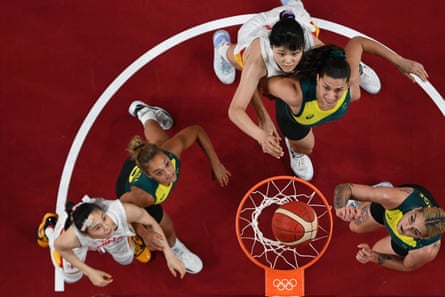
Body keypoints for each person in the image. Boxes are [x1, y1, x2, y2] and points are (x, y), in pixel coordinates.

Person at [212, 0, 380, 160]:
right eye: (282, 54)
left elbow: (336, 58)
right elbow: (235, 110)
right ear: (271, 48)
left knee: (331, 59)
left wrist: (351, 68)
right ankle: (221, 46)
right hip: (254, 29)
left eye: (294, 54)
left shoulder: (308, 42)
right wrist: (261, 133)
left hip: (294, 17)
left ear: (302, 46)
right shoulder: (258, 61)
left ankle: (358, 67)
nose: (288, 61)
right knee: (238, 60)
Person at [262, 36, 429, 180]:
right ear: (318, 78)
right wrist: (264, 119)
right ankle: (296, 150)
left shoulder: (350, 82)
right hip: (295, 117)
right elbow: (260, 83)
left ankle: (359, 66)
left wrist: (400, 62)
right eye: (326, 87)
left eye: (338, 90)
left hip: (343, 74)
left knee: (355, 93)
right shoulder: (294, 93)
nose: (330, 97)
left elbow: (358, 43)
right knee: (306, 147)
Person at [115, 100, 231, 274]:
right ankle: (174, 247)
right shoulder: (145, 196)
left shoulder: (170, 152)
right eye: (159, 172)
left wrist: (215, 162)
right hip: (127, 193)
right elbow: (121, 211)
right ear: (149, 175)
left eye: (167, 164)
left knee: (160, 140)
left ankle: (145, 113)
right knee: (166, 229)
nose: (169, 173)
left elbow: (197, 131)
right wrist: (143, 232)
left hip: (146, 159)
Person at [36, 196, 186, 287]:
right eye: (98, 227)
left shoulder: (120, 212)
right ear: (88, 235)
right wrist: (90, 272)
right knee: (71, 277)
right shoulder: (76, 237)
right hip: (77, 241)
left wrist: (169, 254)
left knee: (126, 258)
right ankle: (50, 226)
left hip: (112, 237)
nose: (107, 227)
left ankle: (130, 234)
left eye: (104, 218)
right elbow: (60, 246)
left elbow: (150, 221)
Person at [333, 181, 445, 271]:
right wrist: (340, 207)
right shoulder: (394, 198)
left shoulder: (424, 251)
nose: (404, 227)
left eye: (414, 231)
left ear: (423, 238)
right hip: (392, 208)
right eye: (411, 219)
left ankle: (376, 197)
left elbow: (405, 266)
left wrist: (375, 257)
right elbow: (347, 188)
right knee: (354, 226)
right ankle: (381, 189)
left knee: (376, 249)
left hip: (404, 238)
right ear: (415, 209)